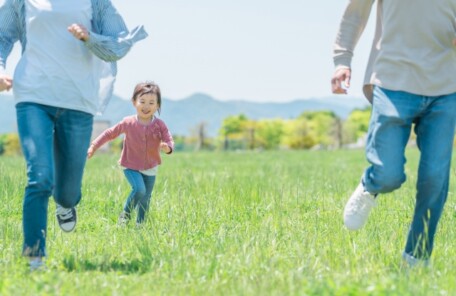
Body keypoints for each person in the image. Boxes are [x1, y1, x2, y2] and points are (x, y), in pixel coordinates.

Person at [0, 0, 148, 270]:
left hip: (78, 102)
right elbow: (2, 34)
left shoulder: (96, 2)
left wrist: (89, 37)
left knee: (67, 192)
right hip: (32, 96)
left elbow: (119, 44)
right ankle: (35, 258)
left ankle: (66, 203)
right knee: (39, 177)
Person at [331, 0, 456, 266]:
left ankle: (416, 257)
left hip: (446, 88)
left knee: (435, 177)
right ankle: (371, 185)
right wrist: (342, 60)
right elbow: (355, 14)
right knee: (388, 173)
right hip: (392, 81)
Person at [87, 82, 174, 226]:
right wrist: (94, 146)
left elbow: (168, 139)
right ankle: (125, 216)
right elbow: (110, 134)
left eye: (151, 103)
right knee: (139, 189)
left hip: (151, 166)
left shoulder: (159, 125)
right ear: (134, 102)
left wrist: (168, 148)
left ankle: (140, 225)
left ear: (157, 105)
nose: (146, 106)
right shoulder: (128, 122)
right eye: (142, 101)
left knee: (146, 198)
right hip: (130, 165)